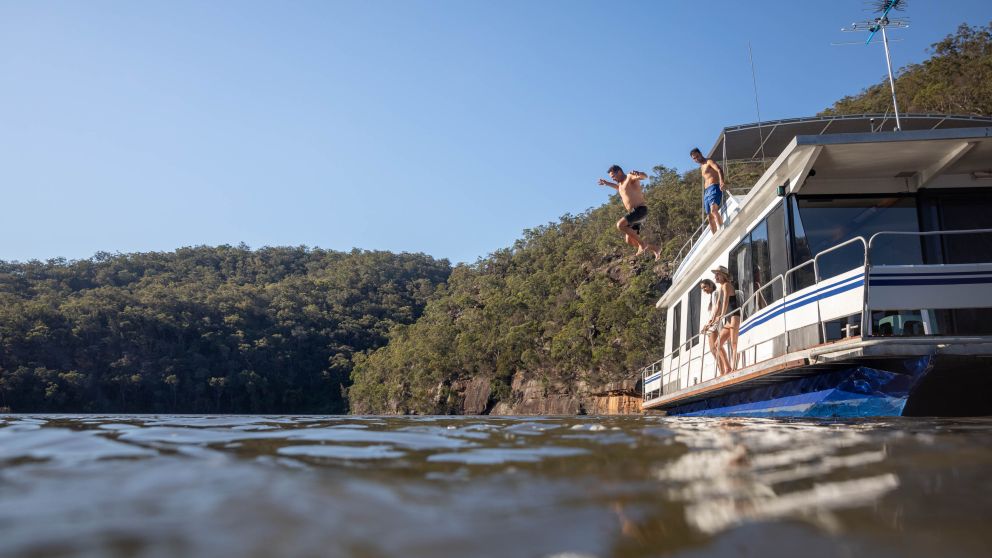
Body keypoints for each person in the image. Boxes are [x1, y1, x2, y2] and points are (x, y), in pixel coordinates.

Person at [598, 165, 661, 260]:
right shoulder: (620, 185)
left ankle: (642, 244)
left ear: (619, 172)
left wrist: (639, 173)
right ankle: (655, 248)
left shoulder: (629, 177)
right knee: (629, 240)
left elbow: (644, 176)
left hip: (640, 210)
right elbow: (618, 187)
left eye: (613, 176)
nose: (613, 179)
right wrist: (607, 183)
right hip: (634, 214)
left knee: (620, 225)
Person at [690, 148, 726, 234]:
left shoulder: (709, 161)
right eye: (694, 158)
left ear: (701, 153)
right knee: (709, 217)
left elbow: (719, 170)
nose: (696, 159)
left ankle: (722, 231)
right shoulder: (702, 167)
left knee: (714, 210)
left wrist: (721, 182)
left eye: (697, 156)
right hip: (706, 192)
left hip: (714, 187)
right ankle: (715, 237)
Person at [699, 279, 730, 376]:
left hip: (714, 324)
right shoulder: (712, 295)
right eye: (702, 288)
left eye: (705, 287)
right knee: (713, 350)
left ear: (711, 285)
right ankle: (722, 371)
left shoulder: (715, 293)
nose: (704, 290)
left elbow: (718, 307)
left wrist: (710, 323)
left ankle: (724, 369)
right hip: (711, 324)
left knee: (715, 348)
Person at [712, 265, 740, 372]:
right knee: (717, 344)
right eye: (715, 275)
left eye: (718, 274)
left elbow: (725, 301)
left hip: (734, 316)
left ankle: (734, 368)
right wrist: (713, 319)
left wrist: (722, 314)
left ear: (723, 275)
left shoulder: (727, 285)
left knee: (733, 342)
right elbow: (718, 305)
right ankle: (727, 367)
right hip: (728, 319)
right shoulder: (720, 288)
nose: (716, 277)